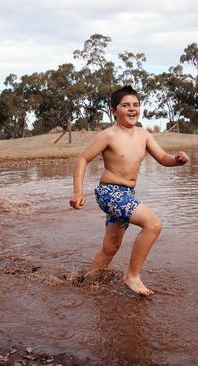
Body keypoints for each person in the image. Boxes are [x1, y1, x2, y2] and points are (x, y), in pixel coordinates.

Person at [70, 85, 189, 296]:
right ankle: (132, 276)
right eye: (125, 105)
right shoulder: (108, 135)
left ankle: (83, 285)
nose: (132, 109)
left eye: (135, 105)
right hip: (109, 192)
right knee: (153, 224)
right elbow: (83, 159)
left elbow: (163, 158)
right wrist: (78, 191)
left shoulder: (143, 134)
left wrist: (177, 160)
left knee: (111, 247)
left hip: (127, 195)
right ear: (113, 111)